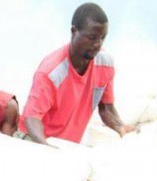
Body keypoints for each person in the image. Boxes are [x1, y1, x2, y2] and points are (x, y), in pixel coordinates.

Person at [20, 3, 135, 144]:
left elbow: (106, 109)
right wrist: (47, 150)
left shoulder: (106, 65)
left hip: (67, 147)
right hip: (33, 140)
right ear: (74, 31)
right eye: (92, 37)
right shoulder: (51, 72)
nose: (98, 44)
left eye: (103, 37)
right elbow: (32, 118)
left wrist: (121, 127)